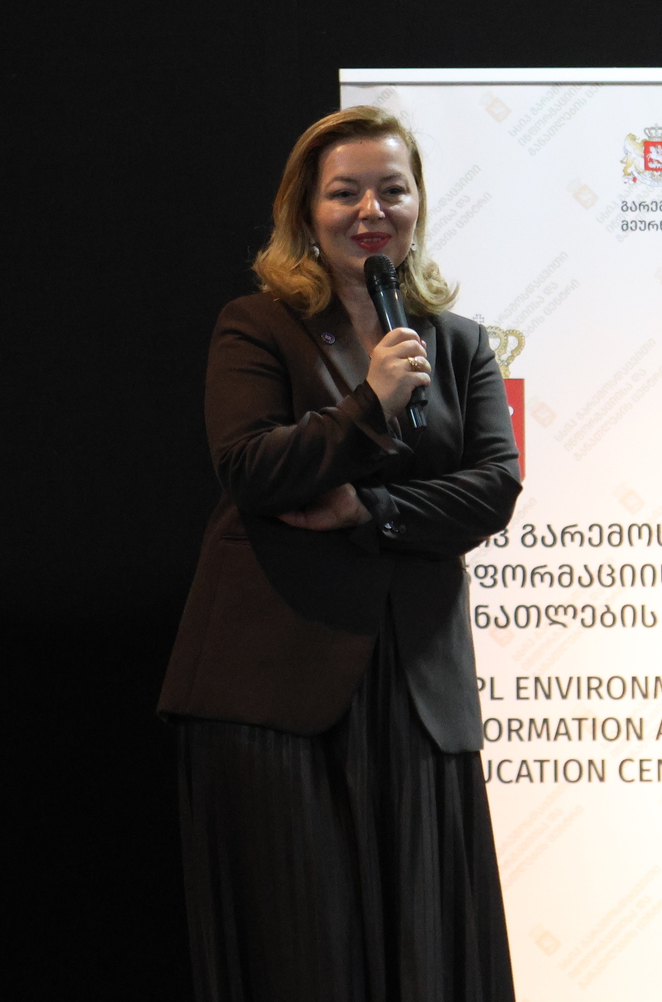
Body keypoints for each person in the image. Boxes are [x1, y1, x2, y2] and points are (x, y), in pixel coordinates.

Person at [158, 106, 521, 1002]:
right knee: (303, 950)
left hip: (416, 689)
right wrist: (368, 405)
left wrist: (369, 509)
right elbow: (252, 468)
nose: (371, 210)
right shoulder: (258, 325)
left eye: (391, 189)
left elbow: (493, 489)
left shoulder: (458, 341)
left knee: (424, 951)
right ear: (306, 211)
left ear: (418, 203)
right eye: (345, 192)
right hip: (278, 688)